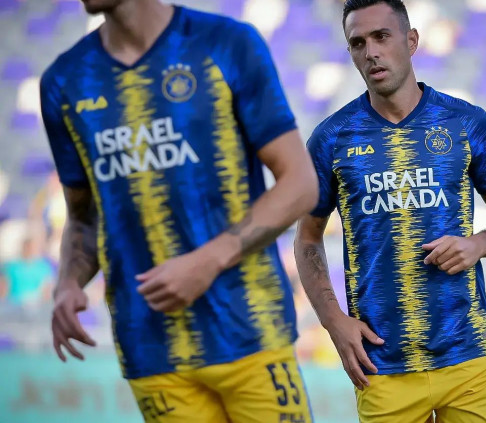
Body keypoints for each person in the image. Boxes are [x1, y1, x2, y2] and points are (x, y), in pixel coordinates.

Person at [39, 0, 318, 422]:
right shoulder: (64, 81)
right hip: (150, 350)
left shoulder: (226, 43)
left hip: (248, 330)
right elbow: (84, 215)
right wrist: (68, 282)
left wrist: (208, 261)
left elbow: (300, 183)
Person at [293, 1, 486, 422]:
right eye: (358, 43)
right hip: (382, 365)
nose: (371, 52)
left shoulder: (465, 123)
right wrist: (333, 320)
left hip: (467, 356)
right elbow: (307, 238)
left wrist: (479, 244)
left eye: (381, 36)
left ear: (411, 40)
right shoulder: (332, 139)